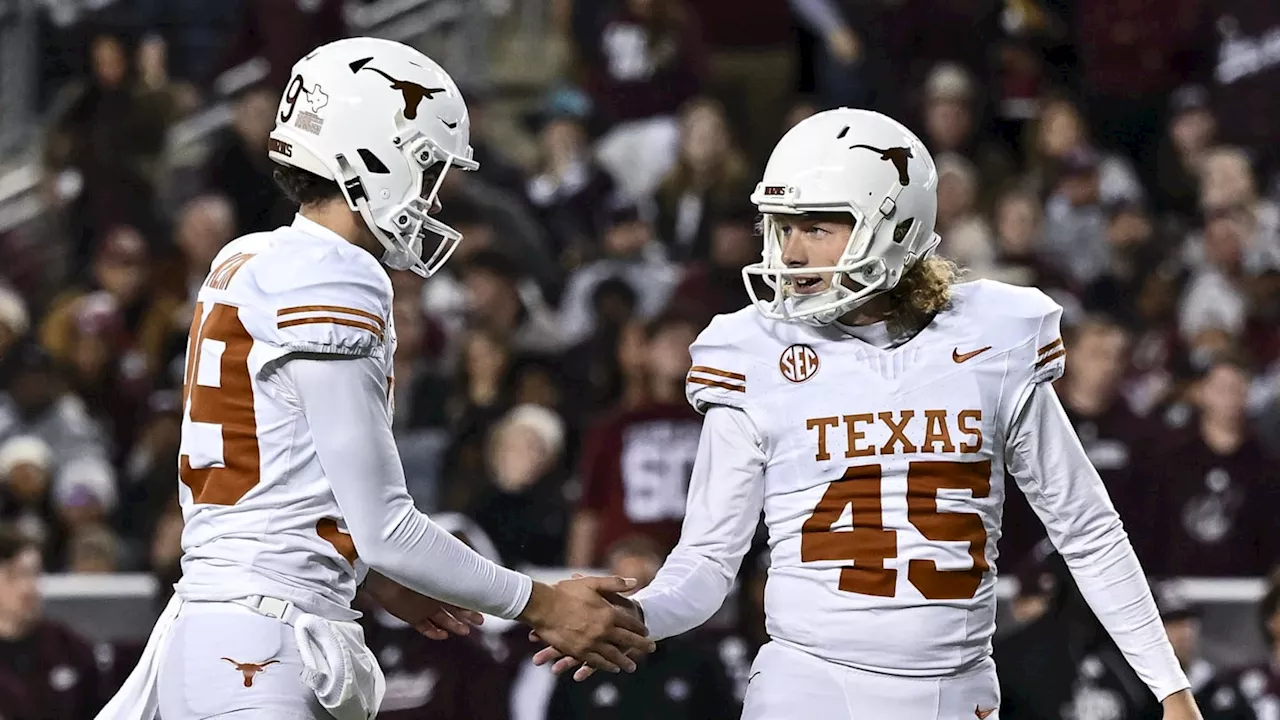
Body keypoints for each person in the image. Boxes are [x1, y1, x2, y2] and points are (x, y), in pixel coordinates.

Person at [533, 108, 1201, 719]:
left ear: (895, 225)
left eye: (816, 227)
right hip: (807, 684)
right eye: (783, 227)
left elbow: (1086, 529)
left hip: (955, 689)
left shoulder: (993, 337)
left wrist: (1170, 688)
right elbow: (709, 561)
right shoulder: (756, 350)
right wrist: (636, 613)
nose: (790, 253)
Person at [98, 38, 653, 720]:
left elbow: (283, 470)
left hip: (212, 630)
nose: (435, 193)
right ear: (374, 157)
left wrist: (369, 574)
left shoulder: (246, 256)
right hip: (266, 641)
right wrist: (544, 605)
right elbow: (386, 523)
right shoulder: (338, 275)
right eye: (426, 168)